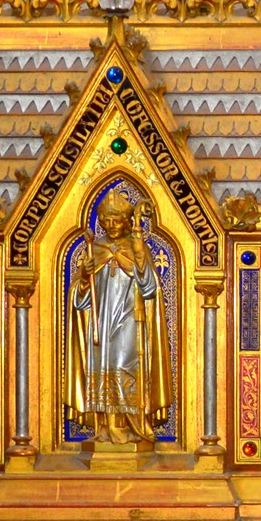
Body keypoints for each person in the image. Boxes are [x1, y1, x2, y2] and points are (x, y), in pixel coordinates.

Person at [66, 183, 172, 445]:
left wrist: (138, 262)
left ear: (126, 221)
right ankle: (105, 428)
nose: (112, 225)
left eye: (117, 220)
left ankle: (132, 426)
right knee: (104, 370)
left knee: (124, 367)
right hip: (100, 324)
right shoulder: (96, 248)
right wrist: (84, 276)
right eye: (107, 220)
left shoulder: (136, 247)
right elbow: (80, 303)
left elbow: (150, 289)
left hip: (129, 323)